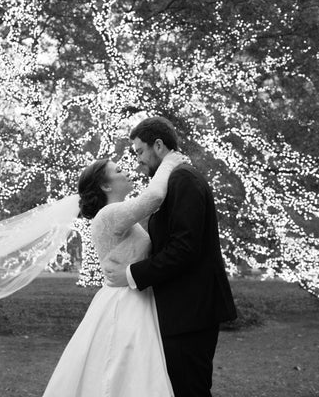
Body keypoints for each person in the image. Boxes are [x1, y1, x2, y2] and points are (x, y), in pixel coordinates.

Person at [104, 116, 237, 397]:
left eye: (140, 151)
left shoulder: (184, 180)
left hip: (191, 309)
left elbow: (184, 248)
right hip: (181, 308)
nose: (138, 160)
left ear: (159, 145)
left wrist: (131, 274)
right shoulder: (172, 181)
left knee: (190, 389)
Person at [42, 150, 187, 396]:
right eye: (118, 170)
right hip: (124, 303)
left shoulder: (119, 214)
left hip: (135, 296)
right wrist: (170, 162)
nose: (127, 171)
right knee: (124, 369)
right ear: (105, 185)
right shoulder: (109, 215)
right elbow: (154, 197)